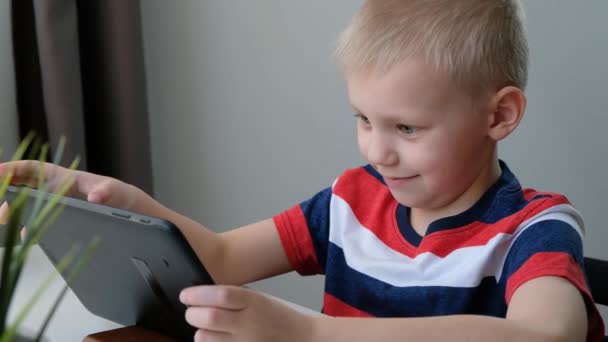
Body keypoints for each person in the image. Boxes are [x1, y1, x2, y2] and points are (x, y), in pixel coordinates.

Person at [0, 0, 604, 341]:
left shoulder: (537, 227)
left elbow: (546, 337)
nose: (376, 151)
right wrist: (109, 200)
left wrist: (311, 336)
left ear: (499, 115)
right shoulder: (349, 203)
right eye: (364, 119)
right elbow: (220, 257)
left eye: (407, 128)